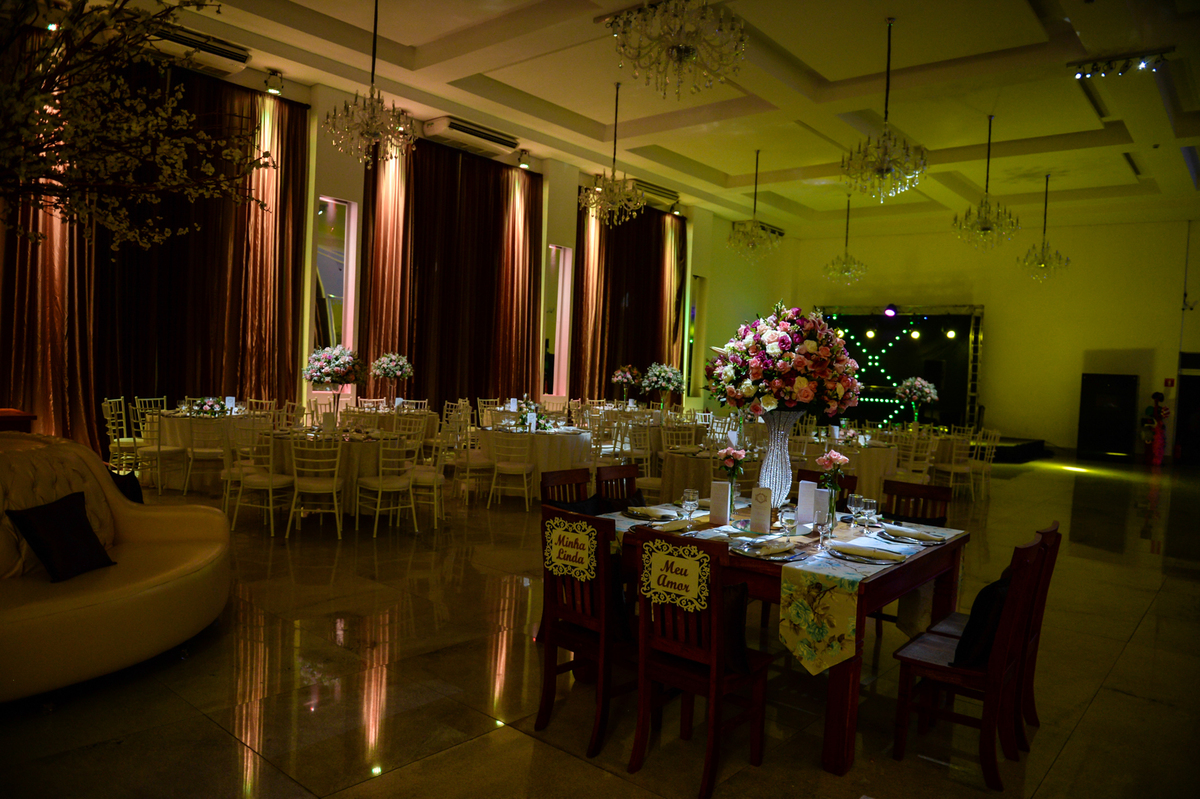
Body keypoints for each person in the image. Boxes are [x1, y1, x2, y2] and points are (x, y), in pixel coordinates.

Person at [1143, 392, 1170, 466]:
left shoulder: (1158, 421)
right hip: (1158, 428)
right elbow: (1156, 415)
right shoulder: (1159, 422)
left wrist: (1156, 403)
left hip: (1158, 429)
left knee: (1157, 445)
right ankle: (1156, 460)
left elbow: (1155, 415)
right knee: (1158, 445)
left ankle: (1156, 460)